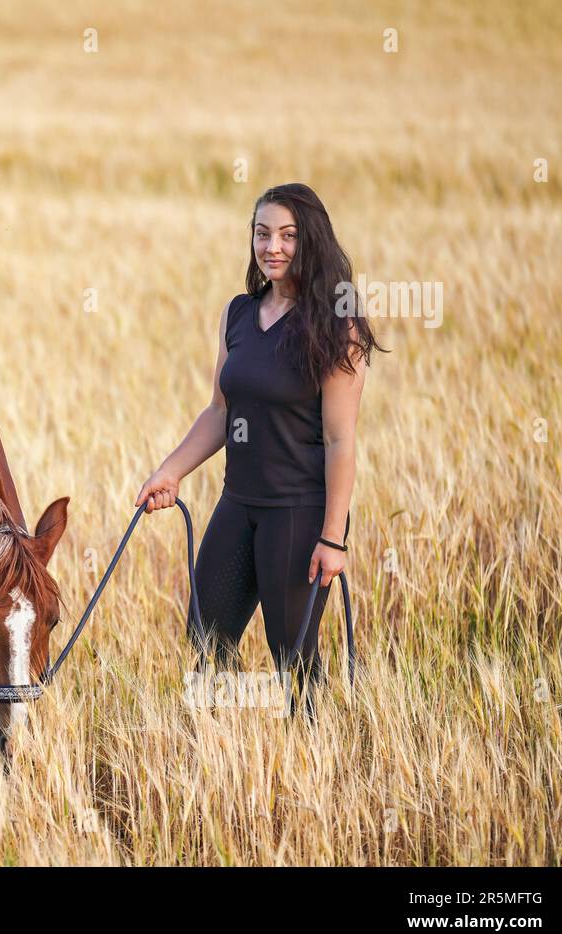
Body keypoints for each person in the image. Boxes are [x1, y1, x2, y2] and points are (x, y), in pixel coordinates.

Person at [135, 183, 384, 716]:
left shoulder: (338, 327)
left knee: (293, 660)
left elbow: (342, 441)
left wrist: (333, 538)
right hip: (238, 503)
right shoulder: (239, 314)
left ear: (310, 241)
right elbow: (220, 412)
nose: (273, 246)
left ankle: (310, 762)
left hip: (297, 512)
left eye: (288, 236)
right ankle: (228, 754)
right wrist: (169, 472)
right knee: (206, 639)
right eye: (263, 233)